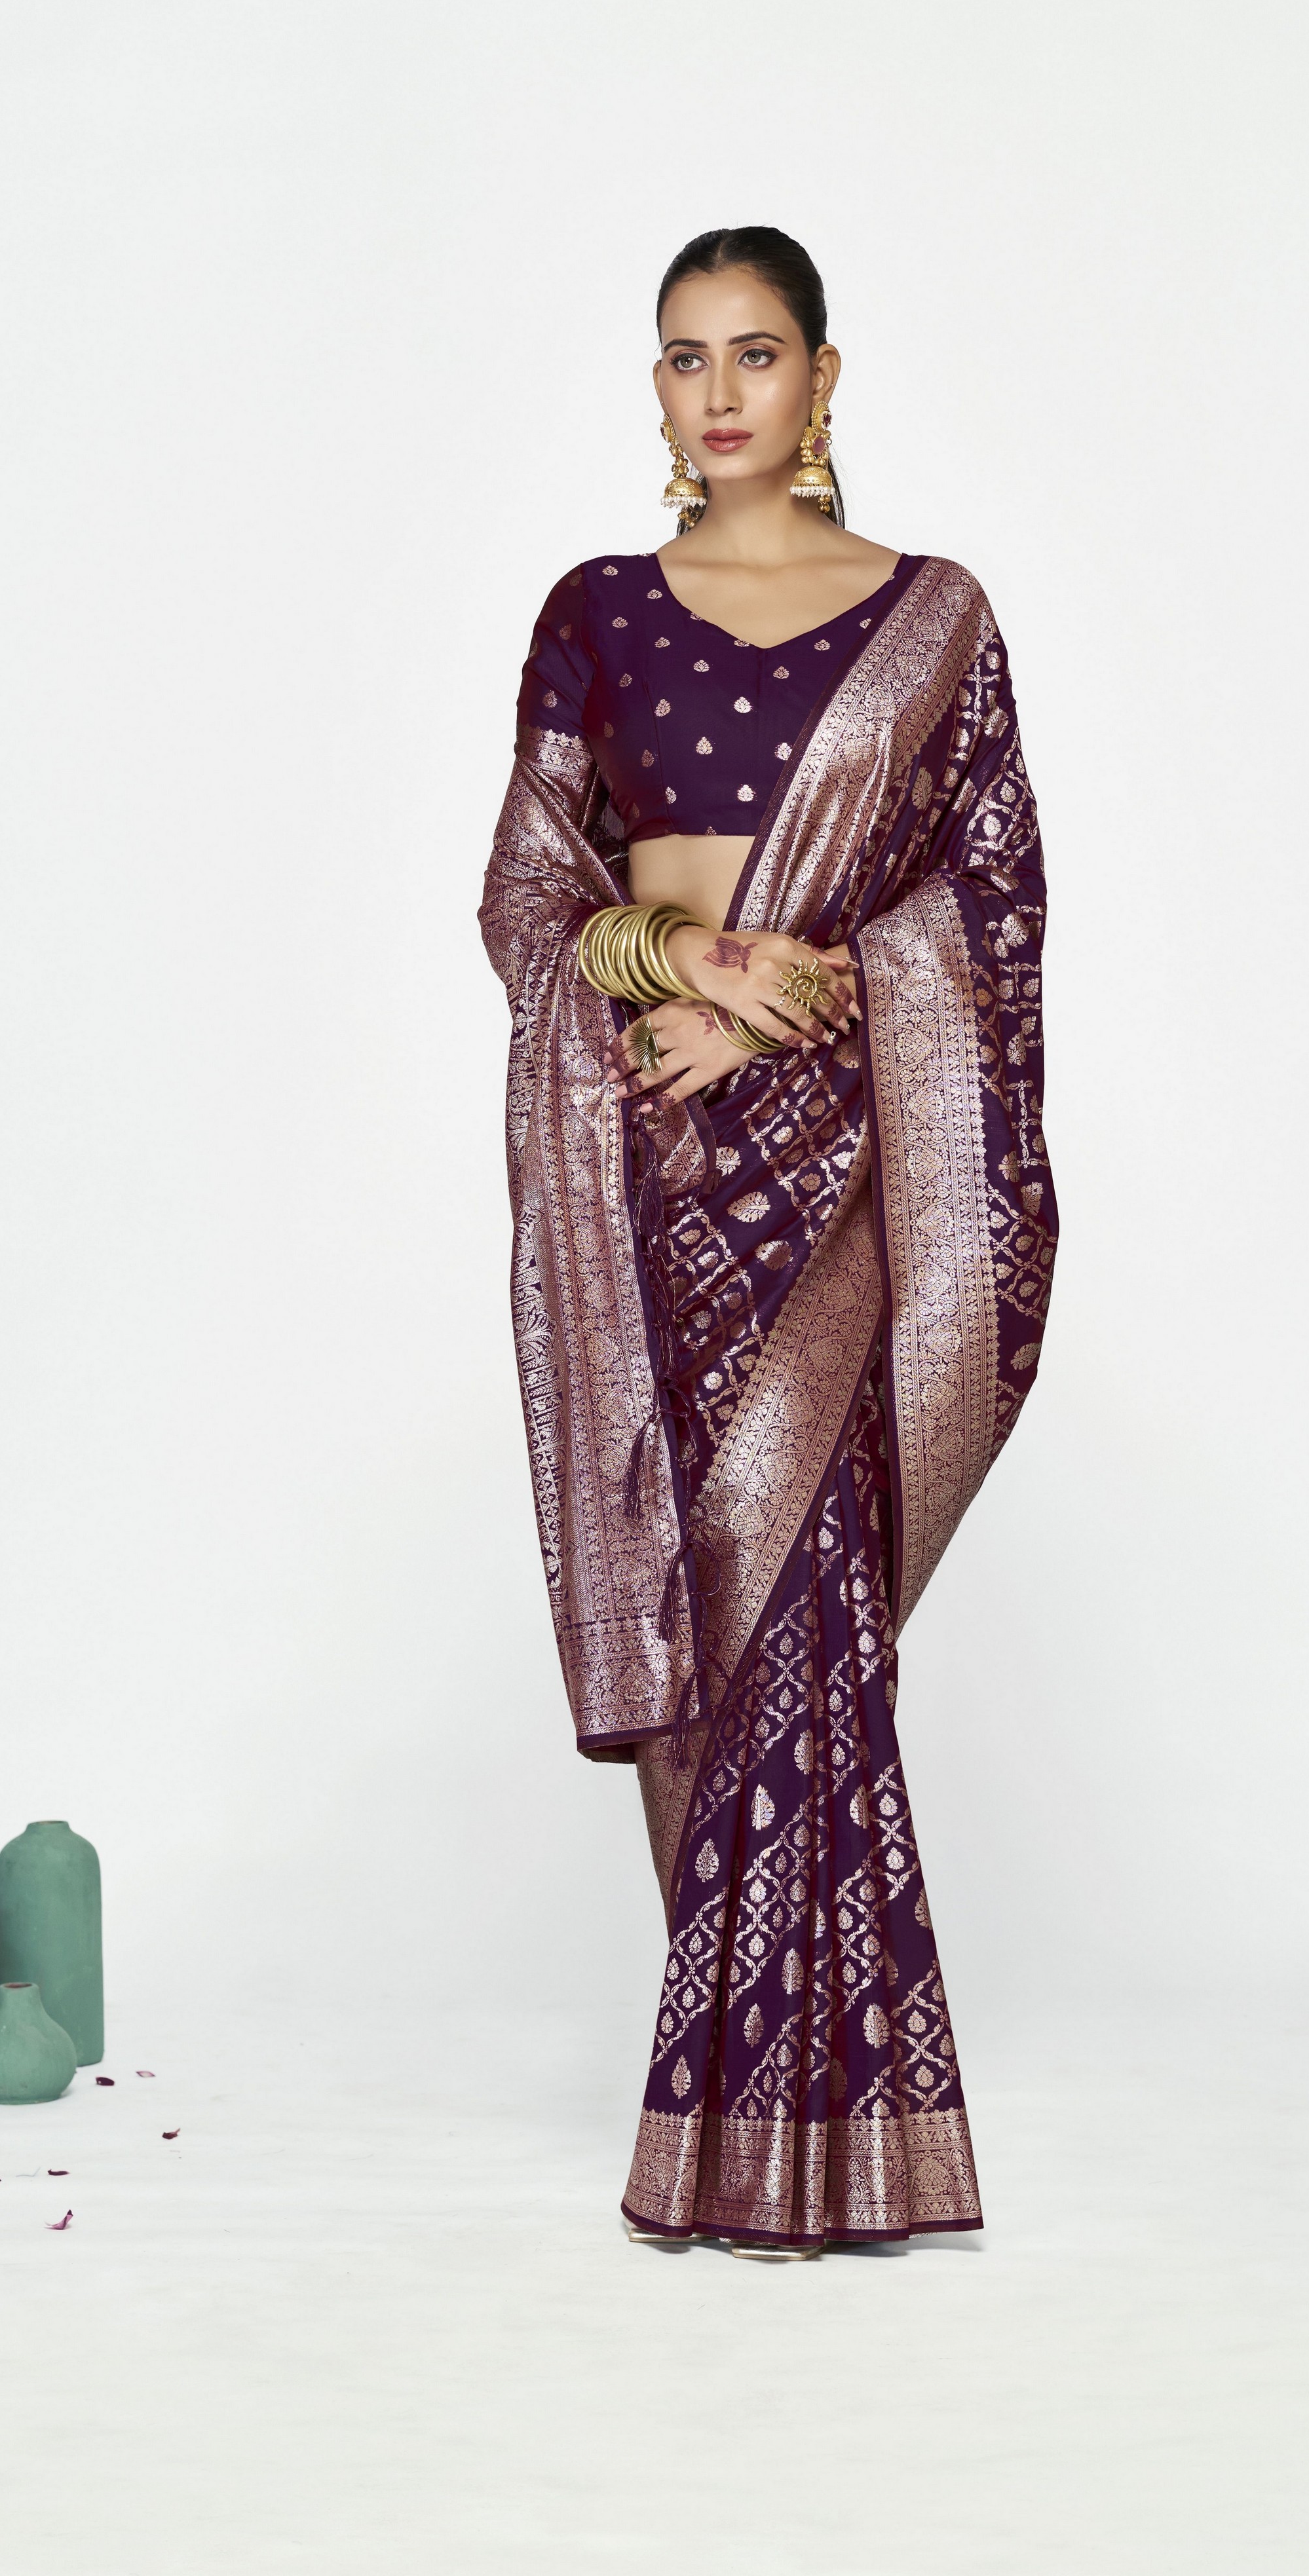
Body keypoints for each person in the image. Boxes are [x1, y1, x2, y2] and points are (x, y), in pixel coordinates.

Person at [477, 226, 1055, 2256]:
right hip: (660, 1161)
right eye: (683, 358)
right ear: (657, 387)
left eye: (754, 354)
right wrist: (685, 966)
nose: (716, 393)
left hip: (845, 1169)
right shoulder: (597, 616)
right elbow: (529, 899)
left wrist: (794, 998)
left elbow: (989, 912)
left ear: (822, 378)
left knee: (806, 1596)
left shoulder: (935, 619)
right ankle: (783, 2104)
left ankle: (786, 2117)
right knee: (709, 1591)